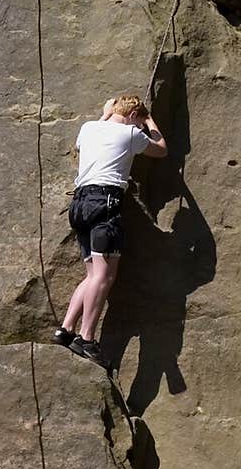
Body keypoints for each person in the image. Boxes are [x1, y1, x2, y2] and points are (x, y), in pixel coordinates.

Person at [54, 94, 167, 365]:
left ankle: (66, 329)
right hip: (105, 203)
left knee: (93, 273)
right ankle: (87, 338)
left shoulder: (89, 127)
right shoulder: (130, 133)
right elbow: (161, 149)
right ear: (132, 117)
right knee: (104, 277)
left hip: (80, 206)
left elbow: (86, 140)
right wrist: (148, 120)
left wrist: (105, 114)